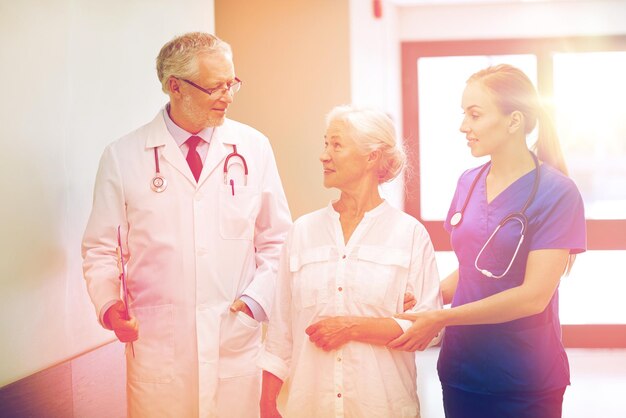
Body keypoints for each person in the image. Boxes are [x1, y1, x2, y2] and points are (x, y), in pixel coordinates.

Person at [81, 32, 292, 417]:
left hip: (233, 338)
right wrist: (111, 307)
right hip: (159, 347)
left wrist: (253, 302)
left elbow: (278, 240)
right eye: (215, 87)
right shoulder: (123, 156)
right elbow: (100, 248)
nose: (227, 96)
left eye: (232, 84)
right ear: (174, 87)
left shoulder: (253, 147)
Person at [389, 64, 586, 418]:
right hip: (462, 370)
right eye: (464, 114)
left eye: (474, 115)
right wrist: (425, 296)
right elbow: (472, 271)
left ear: (514, 121)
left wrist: (441, 318)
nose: (463, 126)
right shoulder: (468, 181)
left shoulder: (558, 193)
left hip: (524, 378)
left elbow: (533, 297)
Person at [259, 105, 442, 418]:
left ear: (371, 157)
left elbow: (428, 328)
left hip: (384, 407)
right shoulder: (302, 231)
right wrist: (266, 404)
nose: (324, 155)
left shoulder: (409, 234)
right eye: (325, 143)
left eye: (337, 145)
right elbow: (280, 334)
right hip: (309, 406)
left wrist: (352, 327)